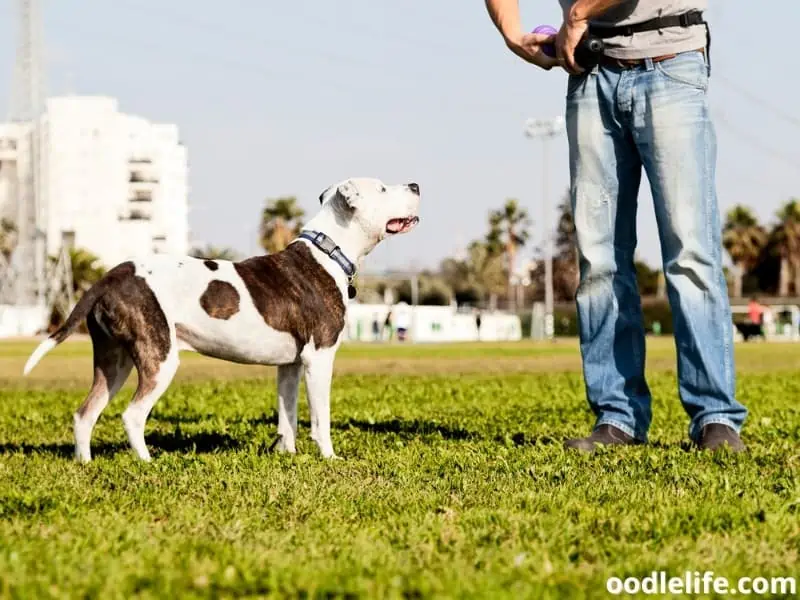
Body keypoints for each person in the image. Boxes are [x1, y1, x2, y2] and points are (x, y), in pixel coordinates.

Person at [485, 0, 747, 452]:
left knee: (690, 253)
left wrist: (576, 15)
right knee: (599, 259)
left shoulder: (582, 18)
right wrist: (512, 33)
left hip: (671, 62)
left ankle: (715, 417)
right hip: (590, 73)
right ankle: (617, 418)